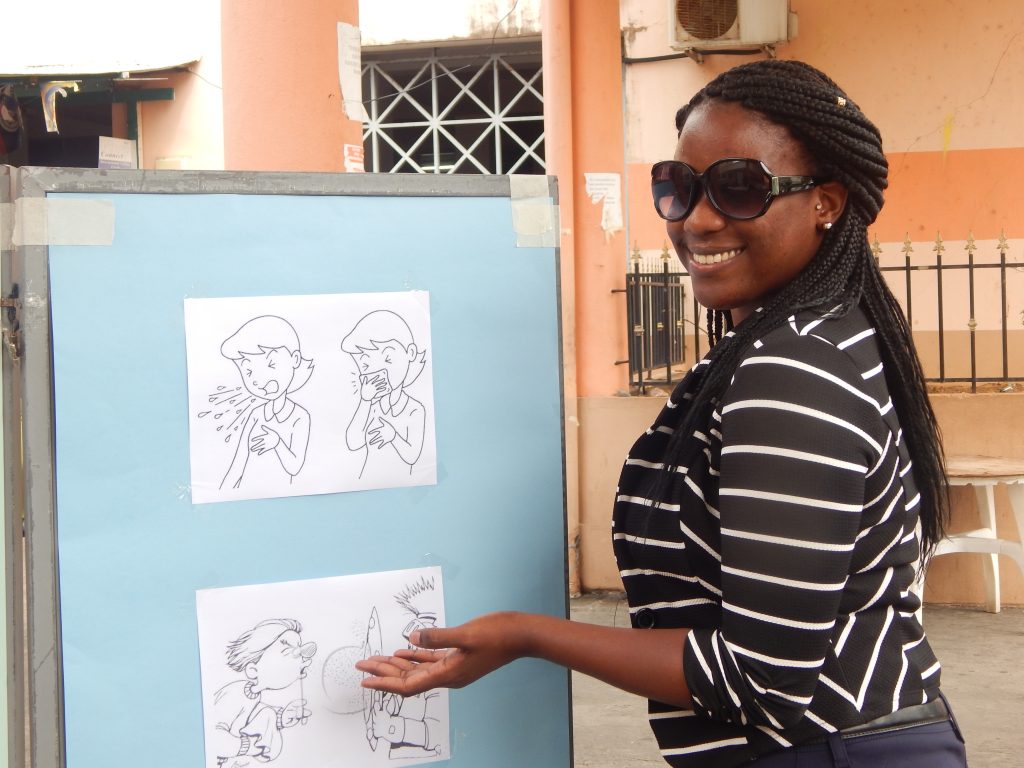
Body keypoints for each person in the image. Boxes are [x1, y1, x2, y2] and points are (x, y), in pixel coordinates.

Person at [356, 59, 967, 768]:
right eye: (679, 187)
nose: (698, 220)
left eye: (740, 189)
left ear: (825, 203)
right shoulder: (805, 338)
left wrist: (526, 635)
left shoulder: (791, 369)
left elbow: (760, 677)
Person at [219, 315, 314, 491]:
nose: (259, 380)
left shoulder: (300, 417)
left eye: (271, 364)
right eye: (249, 372)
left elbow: (295, 467)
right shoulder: (256, 414)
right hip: (246, 493)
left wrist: (277, 443)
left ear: (295, 359)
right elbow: (238, 464)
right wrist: (222, 492)